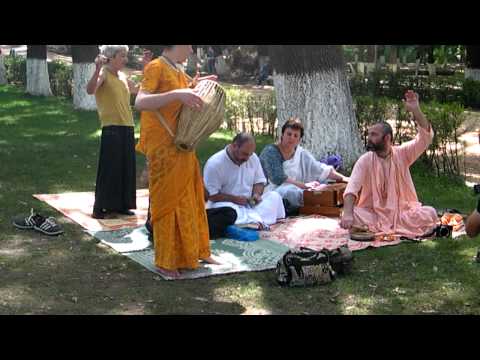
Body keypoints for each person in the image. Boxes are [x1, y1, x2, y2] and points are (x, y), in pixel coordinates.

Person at [134, 45, 218, 278]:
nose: (191, 49)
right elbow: (141, 101)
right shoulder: (156, 66)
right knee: (167, 204)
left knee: (191, 198)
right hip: (163, 148)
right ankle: (166, 260)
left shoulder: (178, 70)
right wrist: (178, 94)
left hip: (183, 144)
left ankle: (197, 251)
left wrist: (198, 87)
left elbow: (180, 101)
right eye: (189, 45)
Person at [340, 90, 438, 238]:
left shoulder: (402, 154)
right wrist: (347, 214)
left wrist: (416, 110)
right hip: (373, 213)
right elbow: (351, 189)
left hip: (401, 212)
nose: (369, 138)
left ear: (387, 138)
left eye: (374, 135)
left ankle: (372, 229)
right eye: (369, 134)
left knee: (430, 212)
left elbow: (425, 138)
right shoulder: (365, 160)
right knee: (352, 213)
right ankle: (375, 226)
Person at [86, 45, 138, 219]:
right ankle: (100, 207)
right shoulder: (104, 73)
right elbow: (90, 90)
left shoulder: (123, 76)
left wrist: (147, 66)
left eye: (126, 56)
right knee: (110, 168)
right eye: (122, 56)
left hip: (128, 125)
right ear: (111, 57)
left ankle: (122, 205)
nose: (125, 59)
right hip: (112, 127)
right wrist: (97, 68)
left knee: (125, 168)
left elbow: (139, 89)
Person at [259, 118, 349, 209]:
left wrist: (343, 178)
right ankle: (313, 206)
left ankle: (323, 205)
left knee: (324, 185)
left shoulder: (301, 153)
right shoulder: (271, 151)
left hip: (296, 187)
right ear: (282, 134)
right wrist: (304, 186)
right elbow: (278, 178)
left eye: (295, 136)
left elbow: (319, 169)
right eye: (289, 134)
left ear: (299, 140)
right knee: (292, 192)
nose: (291, 138)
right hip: (271, 191)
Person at [204, 133, 285, 228]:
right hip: (227, 205)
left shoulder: (253, 158)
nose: (247, 158)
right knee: (229, 213)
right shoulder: (215, 164)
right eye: (244, 154)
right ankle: (256, 221)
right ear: (234, 146)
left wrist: (256, 195)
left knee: (274, 196)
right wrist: (235, 199)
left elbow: (259, 181)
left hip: (250, 205)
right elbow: (211, 195)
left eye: (250, 155)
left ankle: (252, 222)